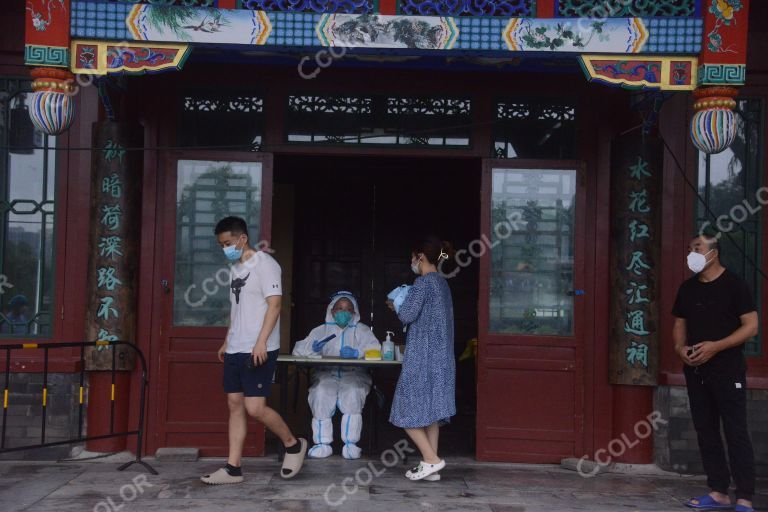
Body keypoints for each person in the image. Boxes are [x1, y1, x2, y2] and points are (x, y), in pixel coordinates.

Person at [201, 216, 307, 485]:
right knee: (234, 404)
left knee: (255, 408)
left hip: (259, 348)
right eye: (222, 244)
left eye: (228, 243)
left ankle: (293, 445)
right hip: (236, 346)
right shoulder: (235, 269)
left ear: (242, 239)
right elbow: (236, 310)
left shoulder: (266, 265)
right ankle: (233, 468)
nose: (225, 248)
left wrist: (261, 342)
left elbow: (274, 306)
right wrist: (228, 339)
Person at [672, 235, 758, 512]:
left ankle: (744, 497)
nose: (691, 253)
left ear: (714, 253)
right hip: (696, 371)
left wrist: (716, 347)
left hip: (728, 369)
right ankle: (718, 491)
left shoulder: (735, 285)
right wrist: (679, 348)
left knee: (735, 431)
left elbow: (751, 326)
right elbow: (679, 323)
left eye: (697, 248)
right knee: (705, 430)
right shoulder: (687, 288)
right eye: (689, 248)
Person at [387, 236, 456, 481]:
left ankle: (432, 459)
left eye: (412, 257)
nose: (411, 262)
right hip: (443, 359)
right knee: (431, 414)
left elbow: (407, 315)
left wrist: (395, 305)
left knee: (405, 411)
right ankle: (430, 465)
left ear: (420, 257)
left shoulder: (423, 283)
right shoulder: (443, 284)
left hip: (423, 357)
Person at [292, 291, 381, 459]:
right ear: (332, 311)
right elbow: (298, 350)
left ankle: (351, 445)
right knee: (320, 394)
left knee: (353, 393)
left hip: (354, 375)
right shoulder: (320, 331)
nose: (343, 312)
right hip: (326, 375)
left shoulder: (362, 331)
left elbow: (376, 351)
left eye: (348, 309)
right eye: (339, 308)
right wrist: (312, 348)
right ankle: (322, 444)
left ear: (354, 312)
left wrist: (358, 353)